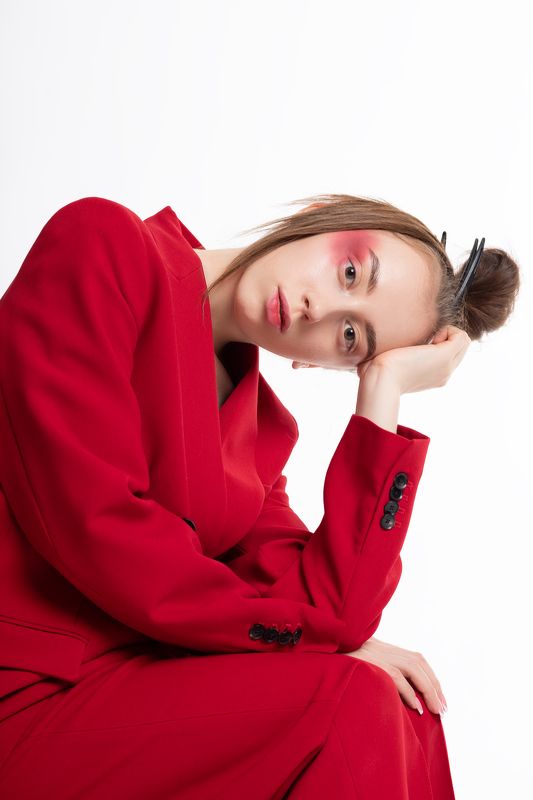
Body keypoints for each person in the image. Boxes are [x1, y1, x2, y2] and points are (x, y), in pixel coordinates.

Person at [0, 193, 520, 798]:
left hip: (127, 696)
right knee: (346, 705)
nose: (319, 308)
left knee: (403, 708)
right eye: (351, 271)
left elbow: (339, 613)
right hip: (27, 685)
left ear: (324, 365)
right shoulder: (105, 246)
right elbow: (101, 534)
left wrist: (383, 389)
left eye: (351, 336)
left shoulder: (260, 438)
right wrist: (314, 642)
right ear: (323, 219)